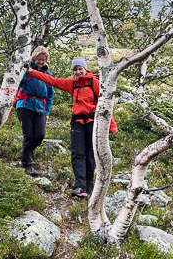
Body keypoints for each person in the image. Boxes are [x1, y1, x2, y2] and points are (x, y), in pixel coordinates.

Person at [28, 57, 116, 197]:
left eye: (80, 69)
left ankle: (88, 187)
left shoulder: (94, 83)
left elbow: (106, 104)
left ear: (85, 69)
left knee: (90, 154)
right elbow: (52, 81)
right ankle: (80, 186)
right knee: (77, 153)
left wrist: (112, 126)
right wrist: (32, 72)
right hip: (77, 122)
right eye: (75, 70)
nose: (78, 72)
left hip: (93, 122)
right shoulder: (72, 84)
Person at [15, 46, 54, 177]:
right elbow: (17, 83)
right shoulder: (26, 70)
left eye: (43, 59)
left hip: (40, 107)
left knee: (40, 135)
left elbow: (50, 95)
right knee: (29, 135)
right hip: (25, 104)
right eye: (39, 59)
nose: (41, 62)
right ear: (34, 58)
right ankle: (28, 165)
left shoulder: (47, 75)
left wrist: (47, 112)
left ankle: (25, 153)